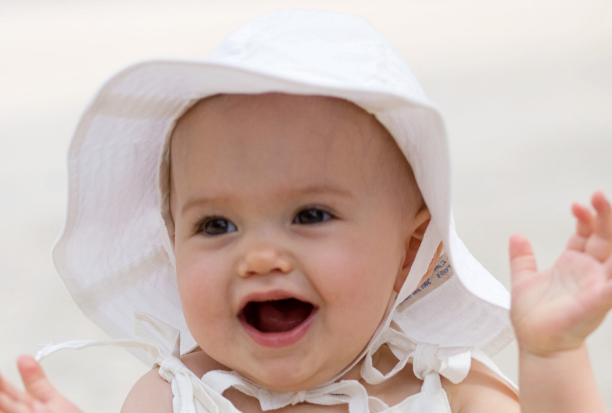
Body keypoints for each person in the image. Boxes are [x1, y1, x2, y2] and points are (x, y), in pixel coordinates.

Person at [0, 9, 610, 413]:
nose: (260, 255)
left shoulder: (448, 388)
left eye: (310, 215)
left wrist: (553, 355)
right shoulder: (173, 397)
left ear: (409, 253)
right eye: (216, 225)